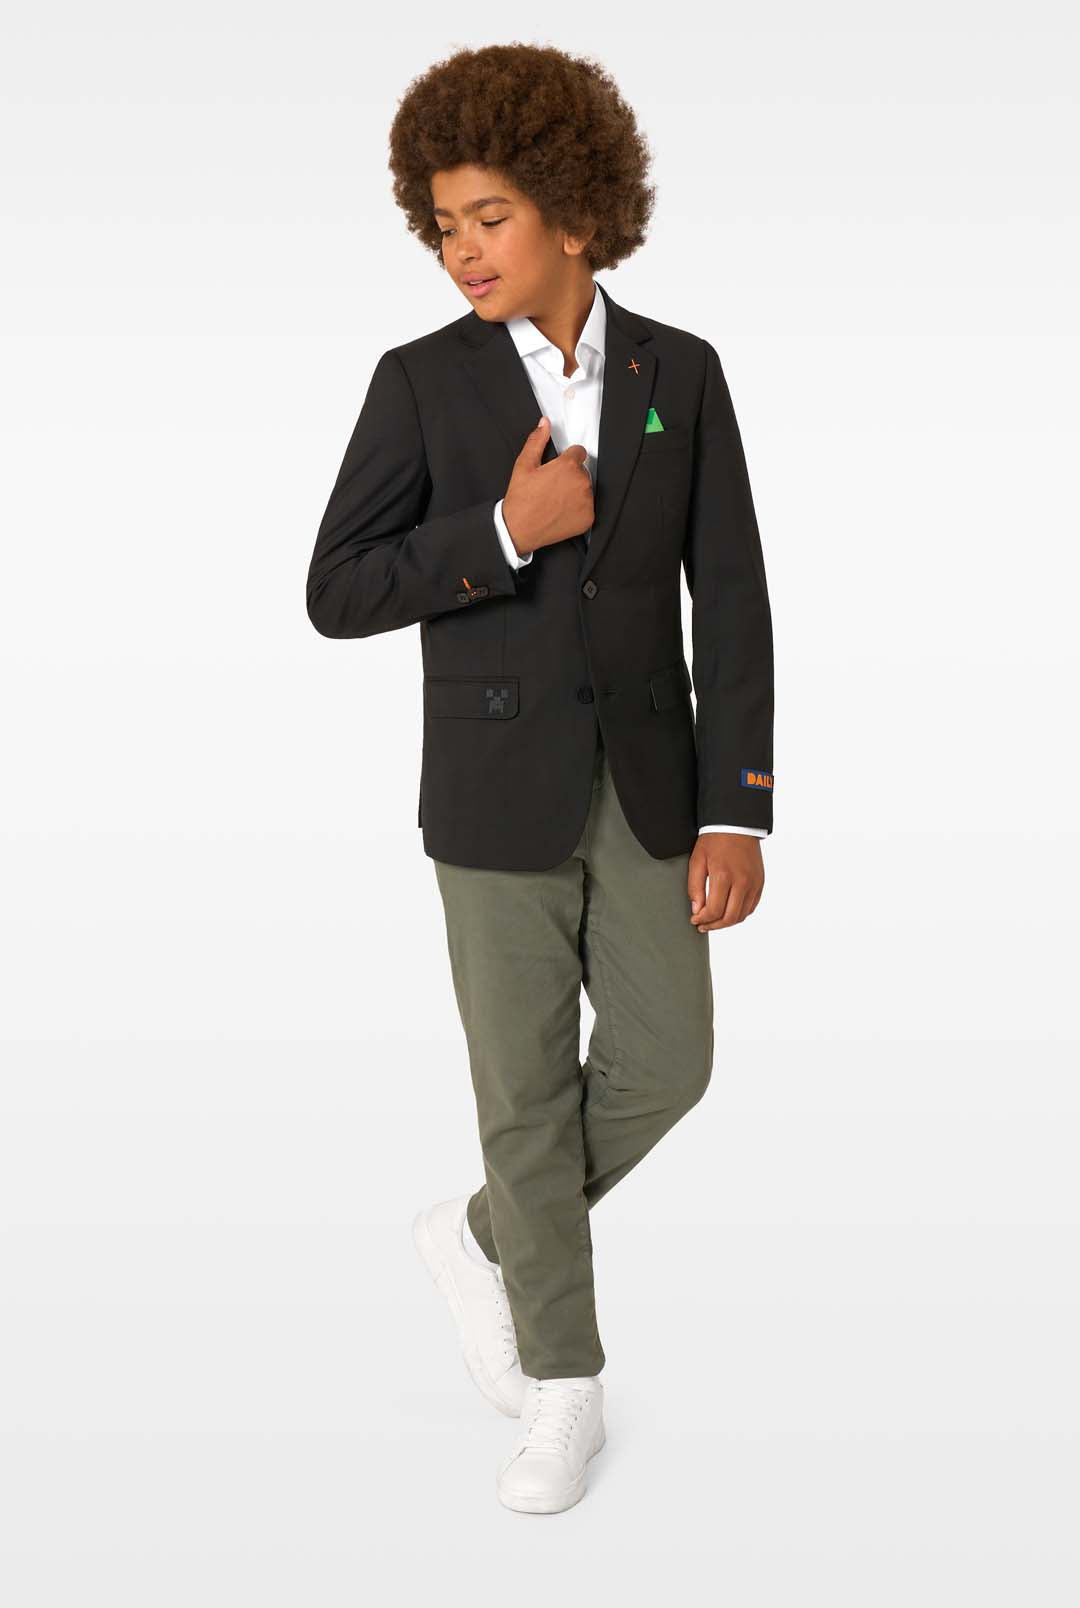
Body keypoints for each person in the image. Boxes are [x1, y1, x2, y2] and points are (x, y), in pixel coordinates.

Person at [305, 41, 774, 1514]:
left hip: (651, 784)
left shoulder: (681, 373)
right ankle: (565, 1387)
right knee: (522, 1094)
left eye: (490, 217)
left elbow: (732, 600)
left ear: (576, 211)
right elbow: (336, 589)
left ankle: (483, 1236)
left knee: (670, 1063)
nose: (461, 249)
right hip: (492, 792)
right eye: (442, 223)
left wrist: (736, 804)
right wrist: (504, 533)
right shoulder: (419, 384)